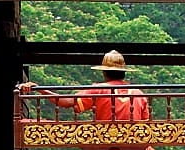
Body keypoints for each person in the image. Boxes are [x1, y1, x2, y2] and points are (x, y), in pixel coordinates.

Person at [18, 49, 150, 123]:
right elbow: (145, 125)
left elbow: (65, 102)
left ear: (104, 72)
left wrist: (39, 89)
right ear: (124, 73)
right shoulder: (138, 93)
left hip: (102, 139)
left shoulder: (98, 89)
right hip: (134, 144)